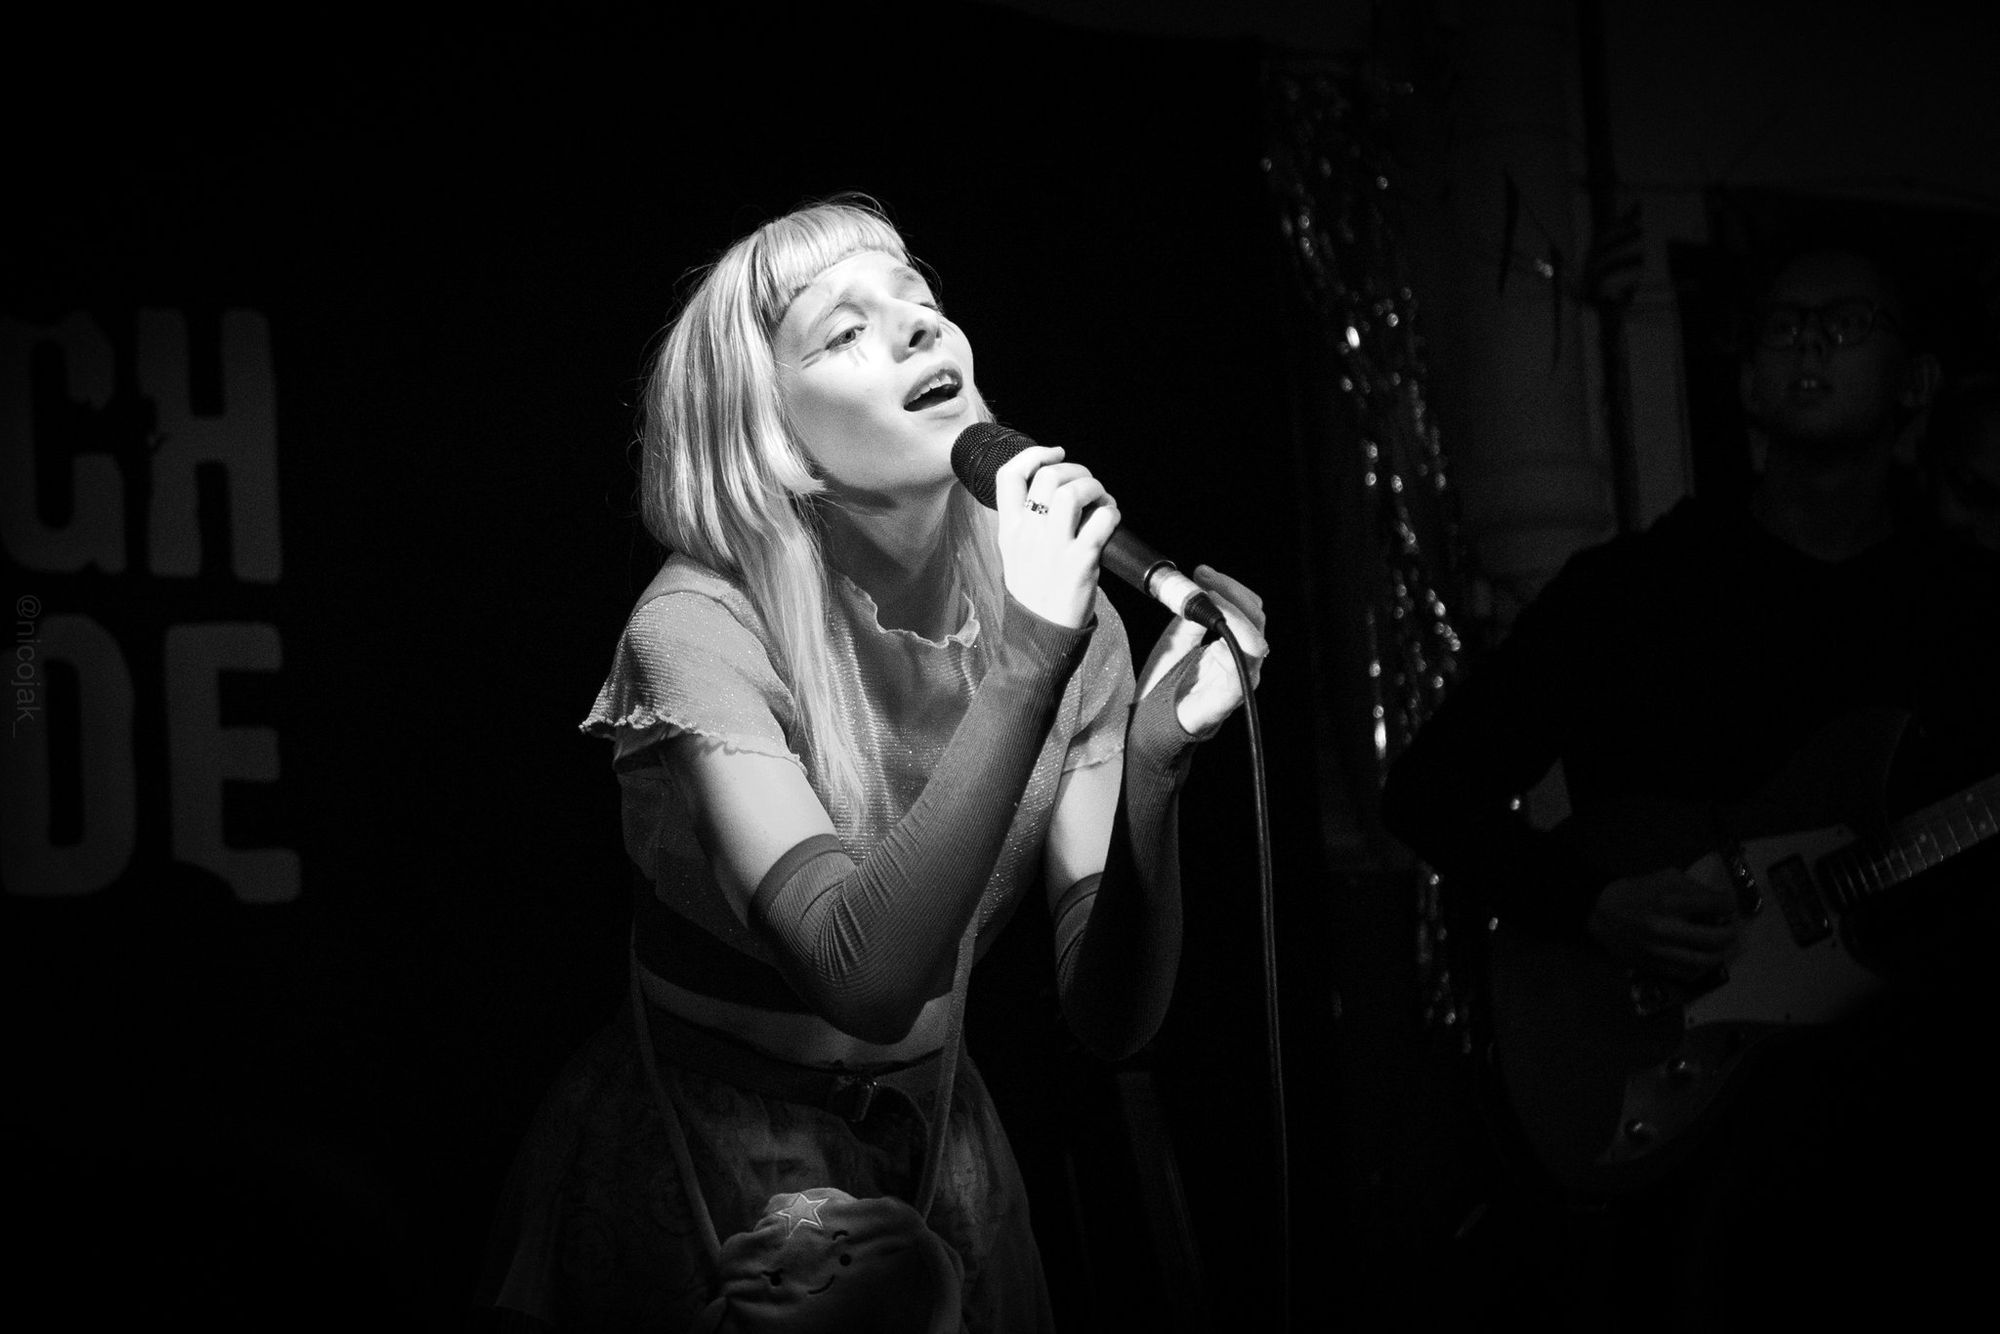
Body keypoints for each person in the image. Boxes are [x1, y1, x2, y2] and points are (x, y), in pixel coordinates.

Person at [474, 196, 1267, 1333]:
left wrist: (1154, 764)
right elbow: (861, 976)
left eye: (919, 303)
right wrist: (1026, 661)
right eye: (843, 332)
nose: (914, 328)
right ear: (769, 433)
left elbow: (1112, 1018)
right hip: (704, 1150)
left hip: (935, 1140)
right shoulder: (698, 625)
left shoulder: (1067, 618)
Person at [1381, 240, 2000, 1330]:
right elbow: (1429, 788)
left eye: (1847, 320)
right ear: (1745, 380)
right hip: (1686, 1146)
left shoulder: (1968, 610)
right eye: (1782, 324)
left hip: (1908, 1140)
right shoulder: (1632, 591)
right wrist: (1585, 900)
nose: (1809, 341)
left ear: (1915, 380)